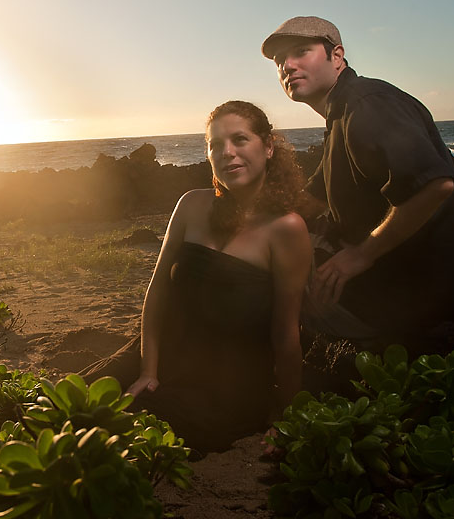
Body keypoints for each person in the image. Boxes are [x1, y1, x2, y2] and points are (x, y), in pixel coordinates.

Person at [80, 101, 311, 453]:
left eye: (239, 140)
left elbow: (286, 334)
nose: (227, 153)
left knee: (114, 441)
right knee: (66, 408)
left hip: (225, 385)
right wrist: (148, 370)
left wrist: (287, 415)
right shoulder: (191, 204)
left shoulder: (287, 229)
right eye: (215, 145)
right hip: (160, 356)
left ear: (267, 146)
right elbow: (157, 290)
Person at [260, 16, 454, 348]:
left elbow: (435, 185)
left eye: (301, 52)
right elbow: (309, 201)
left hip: (420, 300)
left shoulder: (366, 103)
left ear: (336, 57)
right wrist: (242, 212)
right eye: (280, 61)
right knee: (266, 253)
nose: (288, 66)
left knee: (263, 287)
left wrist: (361, 255)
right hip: (398, 286)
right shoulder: (340, 115)